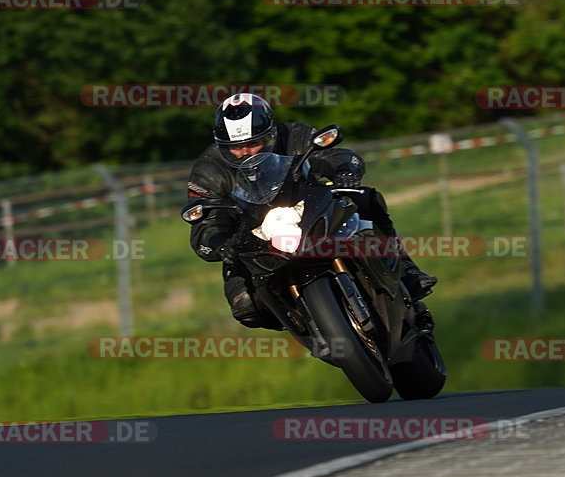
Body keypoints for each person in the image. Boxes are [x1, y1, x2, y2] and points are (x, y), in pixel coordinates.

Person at [185, 92, 437, 330]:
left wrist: (344, 171)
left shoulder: (293, 134)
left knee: (365, 198)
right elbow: (205, 223)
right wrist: (218, 244)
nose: (245, 152)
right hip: (251, 232)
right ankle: (309, 328)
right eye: (235, 147)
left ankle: (408, 270)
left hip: (308, 205)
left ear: (270, 134)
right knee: (245, 306)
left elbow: (331, 154)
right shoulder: (209, 169)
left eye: (253, 143)